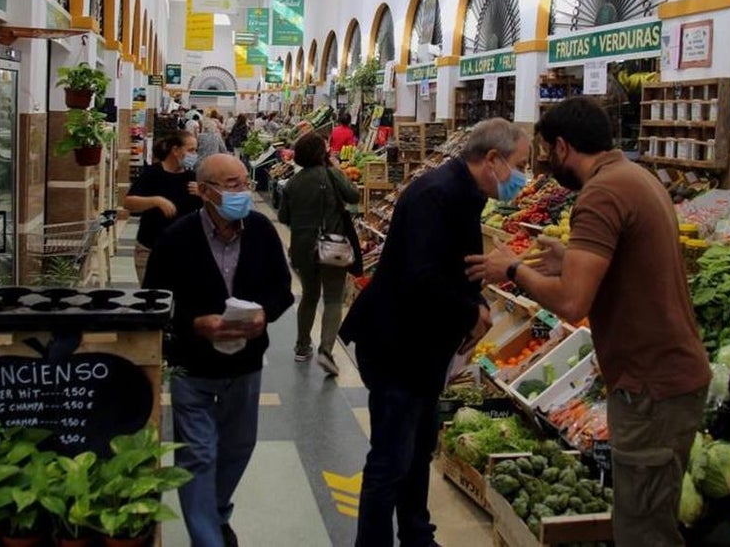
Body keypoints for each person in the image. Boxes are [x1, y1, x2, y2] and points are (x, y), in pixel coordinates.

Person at [465, 98, 710, 547]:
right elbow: (624, 266)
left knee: (642, 529)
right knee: (653, 515)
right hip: (671, 375)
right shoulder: (637, 177)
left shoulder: (601, 193)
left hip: (651, 384)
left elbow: (573, 302)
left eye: (542, 153)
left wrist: (514, 270)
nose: (539, 165)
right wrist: (567, 257)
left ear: (562, 147)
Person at [341, 118, 530, 547]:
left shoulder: (467, 195)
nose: (523, 176)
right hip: (397, 345)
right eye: (520, 164)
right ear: (494, 159)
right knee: (390, 458)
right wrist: (469, 310)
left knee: (418, 447)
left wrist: (477, 304)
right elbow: (422, 275)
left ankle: (415, 533)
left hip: (423, 347)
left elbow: (459, 270)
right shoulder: (437, 194)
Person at [142, 154, 294, 547]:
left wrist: (265, 314)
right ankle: (208, 539)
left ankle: (217, 510)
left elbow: (282, 289)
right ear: (205, 191)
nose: (242, 191)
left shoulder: (260, 231)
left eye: (244, 182)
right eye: (231, 185)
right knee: (198, 455)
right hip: (193, 365)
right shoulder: (176, 239)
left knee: (238, 446)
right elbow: (154, 300)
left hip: (245, 363)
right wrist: (195, 323)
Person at [278, 131, 361, 375]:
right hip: (332, 246)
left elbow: (283, 217)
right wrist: (337, 169)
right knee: (333, 298)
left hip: (303, 248)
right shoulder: (331, 174)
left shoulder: (293, 182)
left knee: (309, 296)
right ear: (321, 153)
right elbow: (354, 196)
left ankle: (302, 347)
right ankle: (326, 350)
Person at [122, 131, 202, 283]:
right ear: (175, 150)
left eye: (195, 150)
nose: (194, 154)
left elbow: (209, 212)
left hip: (184, 251)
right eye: (191, 150)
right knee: (153, 298)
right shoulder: (153, 174)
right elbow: (128, 203)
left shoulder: (192, 179)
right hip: (150, 249)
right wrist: (156, 201)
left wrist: (204, 195)